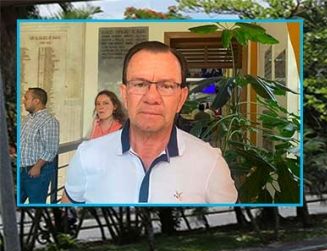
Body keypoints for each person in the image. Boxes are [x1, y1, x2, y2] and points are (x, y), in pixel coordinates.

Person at [64, 41, 237, 204]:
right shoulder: (87, 157)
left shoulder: (210, 163)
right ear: (124, 94)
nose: (152, 97)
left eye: (167, 86)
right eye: (140, 84)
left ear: (181, 98)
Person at [18, 87, 60, 204]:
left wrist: (37, 167)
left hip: (37, 172)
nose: (23, 101)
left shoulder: (49, 121)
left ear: (36, 101)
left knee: (36, 204)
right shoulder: (28, 119)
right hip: (21, 170)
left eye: (26, 98)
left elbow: (51, 149)